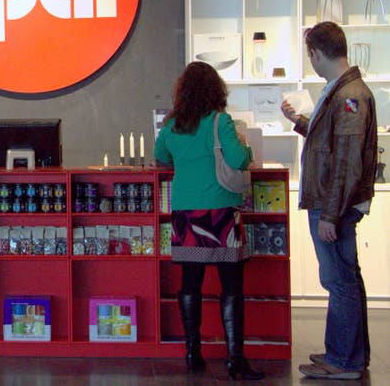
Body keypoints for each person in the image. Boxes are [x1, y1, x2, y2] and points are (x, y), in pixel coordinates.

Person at [155, 61, 264, 380]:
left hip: (185, 214)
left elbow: (161, 158)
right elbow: (237, 158)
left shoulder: (172, 124)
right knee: (231, 286)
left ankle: (193, 353)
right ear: (216, 89)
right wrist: (247, 150)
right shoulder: (220, 121)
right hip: (220, 213)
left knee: (190, 283)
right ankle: (235, 360)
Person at [281, 21, 375, 381]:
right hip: (332, 203)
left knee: (338, 282)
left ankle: (343, 361)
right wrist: (299, 121)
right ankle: (348, 354)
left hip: (332, 205)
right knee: (345, 279)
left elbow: (347, 162)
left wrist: (331, 215)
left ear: (317, 53)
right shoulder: (343, 91)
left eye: (311, 54)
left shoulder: (349, 95)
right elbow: (333, 143)